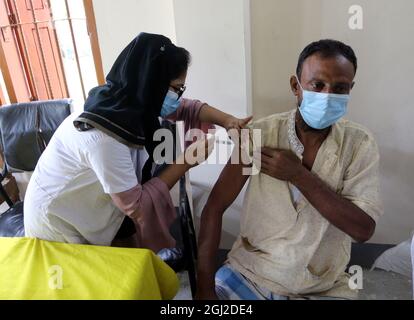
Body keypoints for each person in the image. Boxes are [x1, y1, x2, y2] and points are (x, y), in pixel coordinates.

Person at [23, 33, 251, 253]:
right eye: (176, 89)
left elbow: (186, 107)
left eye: (182, 89)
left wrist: (228, 120)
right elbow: (137, 206)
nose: (178, 97)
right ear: (151, 83)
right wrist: (186, 161)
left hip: (94, 209)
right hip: (58, 226)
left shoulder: (128, 101)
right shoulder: (104, 138)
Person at [196, 39, 383, 300]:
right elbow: (214, 208)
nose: (327, 96)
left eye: (339, 88)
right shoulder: (259, 135)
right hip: (251, 274)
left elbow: (363, 230)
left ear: (351, 89)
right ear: (296, 86)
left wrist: (298, 175)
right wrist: (203, 290)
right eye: (317, 85)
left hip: (322, 286)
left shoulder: (359, 144)